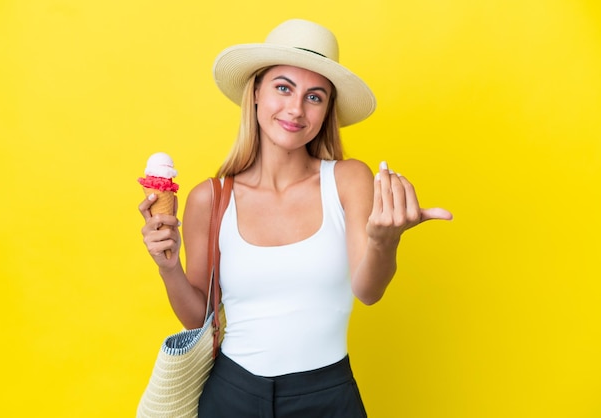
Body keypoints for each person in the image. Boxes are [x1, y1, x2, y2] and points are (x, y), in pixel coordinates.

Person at [139, 18, 452, 417]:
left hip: (327, 396)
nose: (296, 109)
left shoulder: (347, 179)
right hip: (231, 395)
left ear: (326, 111)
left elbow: (369, 292)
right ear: (255, 92)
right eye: (283, 88)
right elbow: (198, 316)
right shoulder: (211, 198)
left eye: (315, 97)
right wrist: (168, 268)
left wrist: (383, 240)